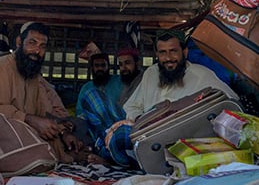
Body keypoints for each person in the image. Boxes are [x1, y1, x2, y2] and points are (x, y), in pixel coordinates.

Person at [99, 30, 238, 167]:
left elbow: (232, 102)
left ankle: (114, 156)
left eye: (173, 51)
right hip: (144, 135)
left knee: (118, 138)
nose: (168, 58)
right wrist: (137, 122)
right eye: (163, 52)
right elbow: (132, 106)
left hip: (179, 141)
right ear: (157, 54)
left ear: (184, 52)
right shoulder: (151, 73)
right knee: (104, 121)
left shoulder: (201, 75)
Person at [0, 21, 82, 163]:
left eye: (42, 46)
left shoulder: (32, 75)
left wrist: (63, 132)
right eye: (32, 43)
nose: (37, 51)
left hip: (25, 134)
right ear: (19, 42)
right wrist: (32, 120)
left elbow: (45, 112)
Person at [76, 53, 124, 143]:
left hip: (118, 124)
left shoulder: (119, 82)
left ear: (108, 67)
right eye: (96, 66)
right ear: (92, 68)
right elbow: (80, 112)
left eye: (103, 65)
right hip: (95, 129)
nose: (100, 69)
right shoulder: (87, 88)